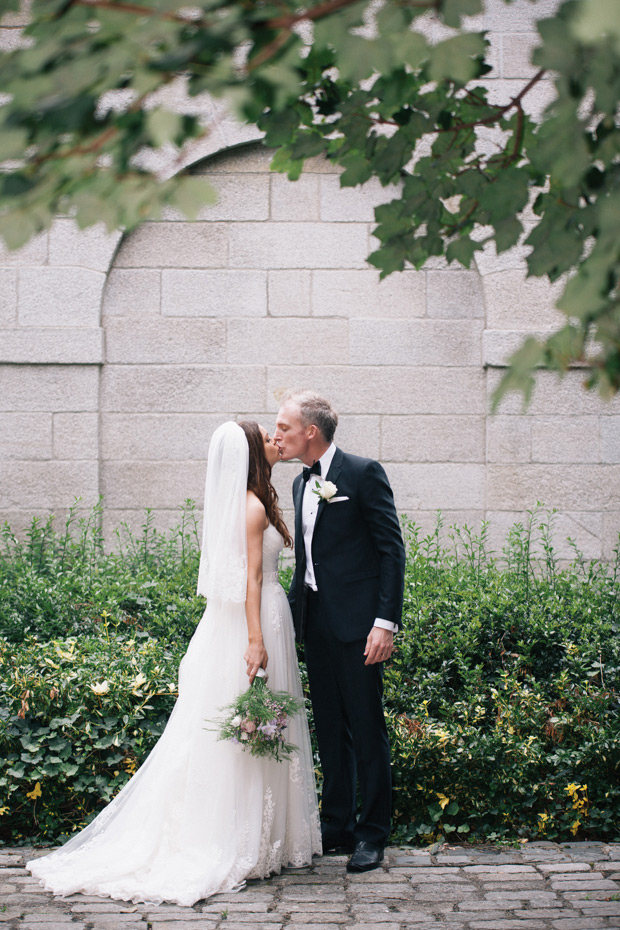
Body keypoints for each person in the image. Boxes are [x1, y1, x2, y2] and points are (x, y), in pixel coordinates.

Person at [27, 421, 321, 905]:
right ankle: (240, 837)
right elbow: (249, 580)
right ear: (250, 454)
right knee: (245, 725)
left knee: (252, 724)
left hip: (264, 616)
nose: (274, 437)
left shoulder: (255, 497)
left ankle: (267, 836)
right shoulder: (250, 507)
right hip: (256, 620)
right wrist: (255, 640)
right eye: (264, 436)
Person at [274, 391, 406, 874]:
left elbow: (391, 552)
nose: (277, 435)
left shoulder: (363, 472)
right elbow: (306, 563)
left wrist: (385, 622)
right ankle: (338, 826)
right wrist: (287, 621)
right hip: (317, 624)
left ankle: (373, 834)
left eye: (284, 427)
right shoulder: (297, 483)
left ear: (311, 431)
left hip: (360, 626)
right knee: (330, 729)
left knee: (367, 730)